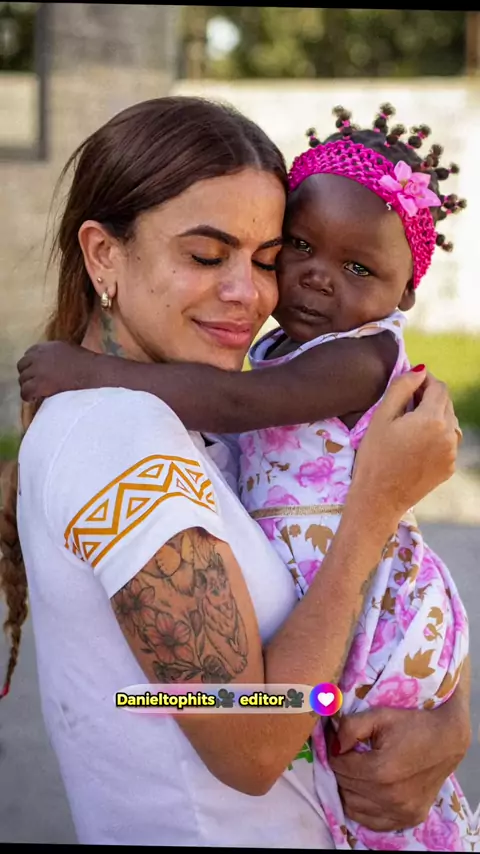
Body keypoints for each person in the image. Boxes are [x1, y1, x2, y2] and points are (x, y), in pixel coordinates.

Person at [1, 97, 470, 847]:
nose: (251, 294)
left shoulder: (186, 424)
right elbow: (255, 741)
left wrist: (445, 722)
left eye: (263, 258)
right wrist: (373, 514)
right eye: (206, 256)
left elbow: (393, 585)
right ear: (104, 255)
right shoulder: (119, 435)